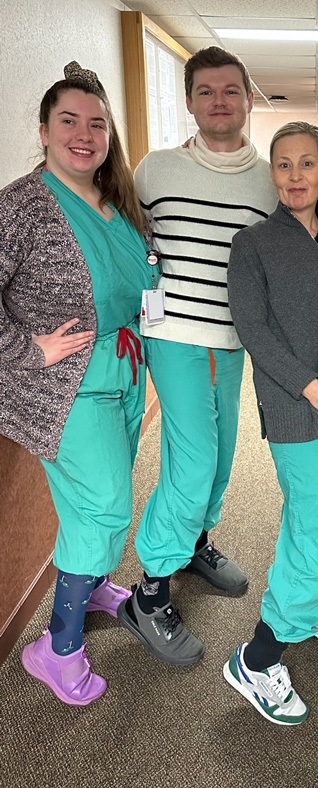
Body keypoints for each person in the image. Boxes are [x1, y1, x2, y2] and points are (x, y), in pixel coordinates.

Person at [0, 62, 160, 706]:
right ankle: (56, 647)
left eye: (97, 123)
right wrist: (24, 348)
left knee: (93, 507)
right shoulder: (23, 204)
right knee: (105, 508)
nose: (84, 134)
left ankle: (89, 584)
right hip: (64, 386)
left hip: (122, 370)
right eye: (69, 121)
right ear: (43, 130)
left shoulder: (114, 199)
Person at [117, 47, 277, 665]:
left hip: (232, 342)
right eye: (206, 91)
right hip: (175, 337)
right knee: (191, 463)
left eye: (231, 90)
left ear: (247, 99)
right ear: (189, 101)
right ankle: (150, 591)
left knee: (219, 461)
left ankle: (192, 545)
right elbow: (126, 244)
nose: (219, 101)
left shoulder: (268, 180)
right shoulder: (154, 170)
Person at [223, 122, 318, 725]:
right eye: (284, 165)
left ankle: (309, 606)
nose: (296, 176)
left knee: (310, 520)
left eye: (307, 164)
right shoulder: (254, 243)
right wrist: (310, 388)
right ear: (272, 173)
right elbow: (254, 329)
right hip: (298, 408)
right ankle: (259, 658)